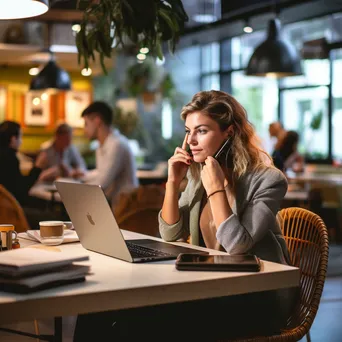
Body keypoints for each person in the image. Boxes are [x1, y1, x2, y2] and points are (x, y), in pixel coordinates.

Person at [73, 91, 298, 341]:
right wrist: (173, 182)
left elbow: (237, 246)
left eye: (201, 130)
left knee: (135, 323)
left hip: (256, 299)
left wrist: (216, 188)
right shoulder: (198, 174)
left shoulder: (267, 180)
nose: (191, 139)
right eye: (188, 130)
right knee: (96, 309)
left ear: (230, 132)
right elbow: (169, 233)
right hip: (207, 288)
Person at [80, 101, 138, 208]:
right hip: (115, 205)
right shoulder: (102, 145)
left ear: (97, 121)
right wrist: (82, 175)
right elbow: (101, 173)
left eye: (86, 124)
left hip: (127, 209)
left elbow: (103, 182)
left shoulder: (117, 144)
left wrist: (75, 188)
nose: (84, 130)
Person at [0, 120, 48, 206]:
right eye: (20, 137)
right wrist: (37, 167)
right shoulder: (9, 158)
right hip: (11, 210)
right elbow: (21, 190)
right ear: (13, 139)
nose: (21, 142)